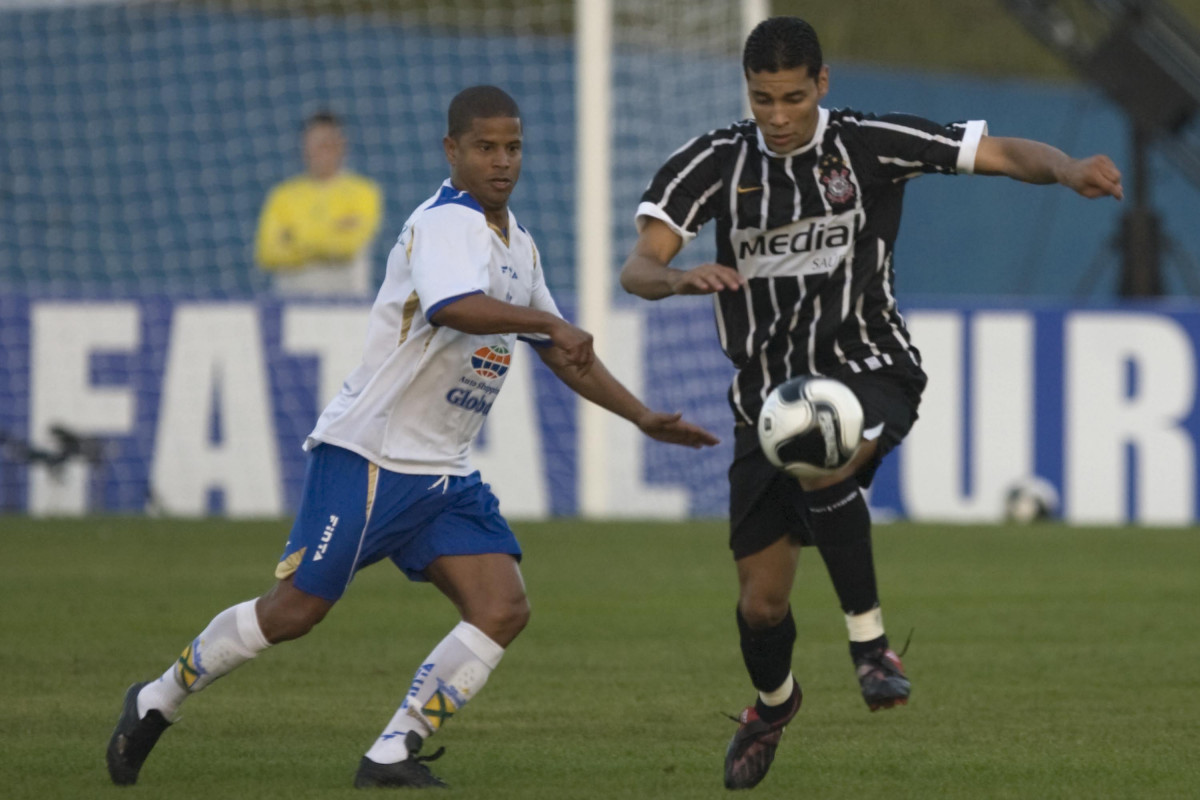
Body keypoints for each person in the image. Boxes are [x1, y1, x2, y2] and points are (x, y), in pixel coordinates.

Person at [107, 85, 719, 790]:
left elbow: (559, 351)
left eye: (512, 147)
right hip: (370, 453)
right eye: (484, 147)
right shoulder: (443, 222)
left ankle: (393, 751)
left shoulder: (518, 245)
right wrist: (550, 325)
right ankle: (158, 697)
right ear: (451, 151)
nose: (501, 161)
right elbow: (451, 306)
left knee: (503, 606)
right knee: (296, 611)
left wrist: (640, 415)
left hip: (441, 472)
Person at [619, 16, 1123, 791]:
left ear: (822, 85)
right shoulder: (714, 163)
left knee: (825, 444)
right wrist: (679, 277)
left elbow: (998, 152)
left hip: (870, 364)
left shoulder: (868, 143)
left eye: (793, 97)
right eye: (763, 100)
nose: (779, 116)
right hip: (765, 400)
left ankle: (870, 647)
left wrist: (1065, 168)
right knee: (760, 606)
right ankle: (773, 705)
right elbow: (640, 266)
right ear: (747, 93)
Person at [254, 111, 383, 298]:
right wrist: (331, 231)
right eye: (315, 143)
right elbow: (267, 253)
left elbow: (349, 245)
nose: (322, 150)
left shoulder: (364, 192)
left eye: (327, 143)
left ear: (341, 145)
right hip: (292, 302)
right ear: (304, 146)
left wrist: (294, 236)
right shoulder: (282, 195)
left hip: (346, 303)